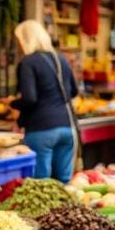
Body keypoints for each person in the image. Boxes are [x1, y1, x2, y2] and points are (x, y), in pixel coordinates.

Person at [9, 20, 79, 182]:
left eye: (18, 40)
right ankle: (66, 208)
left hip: (41, 129)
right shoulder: (60, 59)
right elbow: (74, 91)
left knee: (41, 184)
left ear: (26, 40)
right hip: (67, 127)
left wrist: (12, 103)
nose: (18, 46)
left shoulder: (28, 62)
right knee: (63, 182)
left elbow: (30, 98)